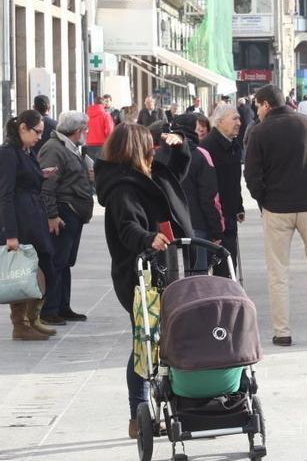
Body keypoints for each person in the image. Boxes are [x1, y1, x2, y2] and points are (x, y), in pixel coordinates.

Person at [94, 123, 191, 439]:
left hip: (157, 268)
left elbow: (174, 176)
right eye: (149, 145)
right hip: (138, 275)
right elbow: (127, 229)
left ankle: (165, 407)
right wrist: (149, 238)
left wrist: (178, 145)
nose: (154, 149)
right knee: (145, 341)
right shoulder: (124, 187)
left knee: (158, 340)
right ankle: (138, 415)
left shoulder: (145, 176)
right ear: (137, 149)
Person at [244, 84, 307, 347]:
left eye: (257, 106)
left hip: (277, 209)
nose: (257, 111)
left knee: (278, 271)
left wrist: (263, 201)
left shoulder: (258, 132)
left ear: (266, 104)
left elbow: (251, 176)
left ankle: (282, 332)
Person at [1, 110, 55, 340]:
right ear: (23, 127)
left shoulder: (26, 151)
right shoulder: (8, 153)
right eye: (37, 132)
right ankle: (21, 324)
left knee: (44, 266)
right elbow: (5, 194)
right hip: (21, 221)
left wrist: (40, 174)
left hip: (34, 216)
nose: (40, 137)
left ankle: (33, 318)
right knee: (23, 271)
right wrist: (10, 234)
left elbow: (25, 179)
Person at [36, 111, 94, 326]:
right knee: (56, 262)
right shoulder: (54, 149)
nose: (86, 133)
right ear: (77, 130)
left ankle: (62, 306)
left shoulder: (68, 147)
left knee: (65, 262)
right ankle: (49, 309)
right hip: (63, 212)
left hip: (73, 212)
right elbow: (47, 186)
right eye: (85, 129)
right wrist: (52, 215)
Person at [171, 114, 223, 272]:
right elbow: (209, 197)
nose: (200, 130)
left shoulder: (162, 154)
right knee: (198, 274)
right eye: (197, 127)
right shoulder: (201, 155)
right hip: (197, 223)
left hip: (169, 224)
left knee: (168, 274)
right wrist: (216, 230)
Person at [200, 104, 244, 278]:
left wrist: (239, 205)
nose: (239, 122)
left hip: (229, 214)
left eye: (239, 118)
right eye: (234, 118)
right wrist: (215, 225)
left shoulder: (233, 145)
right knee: (223, 269)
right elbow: (207, 190)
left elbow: (233, 182)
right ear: (219, 121)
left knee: (230, 263)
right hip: (216, 220)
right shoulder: (208, 148)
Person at [85, 96, 114, 162]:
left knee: (91, 165)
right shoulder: (105, 115)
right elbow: (109, 131)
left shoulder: (87, 115)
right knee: (102, 166)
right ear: (103, 104)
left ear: (94, 103)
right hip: (102, 144)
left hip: (90, 143)